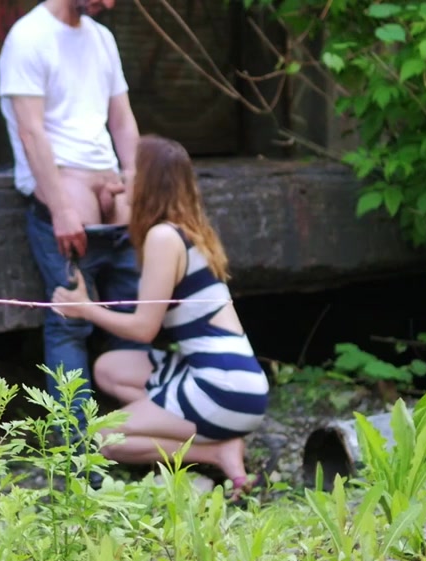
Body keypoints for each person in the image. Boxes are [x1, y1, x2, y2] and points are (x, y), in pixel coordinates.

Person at [50, 134, 270, 501]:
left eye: (129, 172)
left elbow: (143, 329)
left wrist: (85, 308)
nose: (122, 180)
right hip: (239, 382)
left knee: (102, 438)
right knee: (110, 368)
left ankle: (216, 451)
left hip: (222, 390)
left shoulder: (163, 238)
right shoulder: (187, 231)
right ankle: (188, 432)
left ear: (148, 181)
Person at [0, 0, 147, 437]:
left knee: (132, 313)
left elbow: (122, 119)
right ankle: (75, 450)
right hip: (64, 204)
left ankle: (141, 437)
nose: (109, 4)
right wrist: (62, 208)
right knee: (70, 323)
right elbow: (31, 131)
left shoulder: (102, 38)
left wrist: (134, 181)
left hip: (114, 205)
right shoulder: (28, 37)